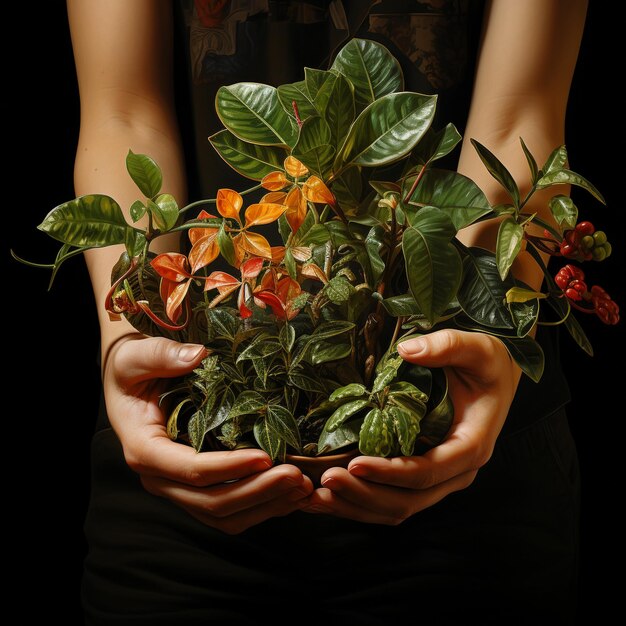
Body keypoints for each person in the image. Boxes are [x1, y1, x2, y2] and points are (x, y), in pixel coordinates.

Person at [68, 1, 586, 623]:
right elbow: (123, 114)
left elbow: (518, 122)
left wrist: (477, 335)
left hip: (468, 454)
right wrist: (132, 339)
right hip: (188, 441)